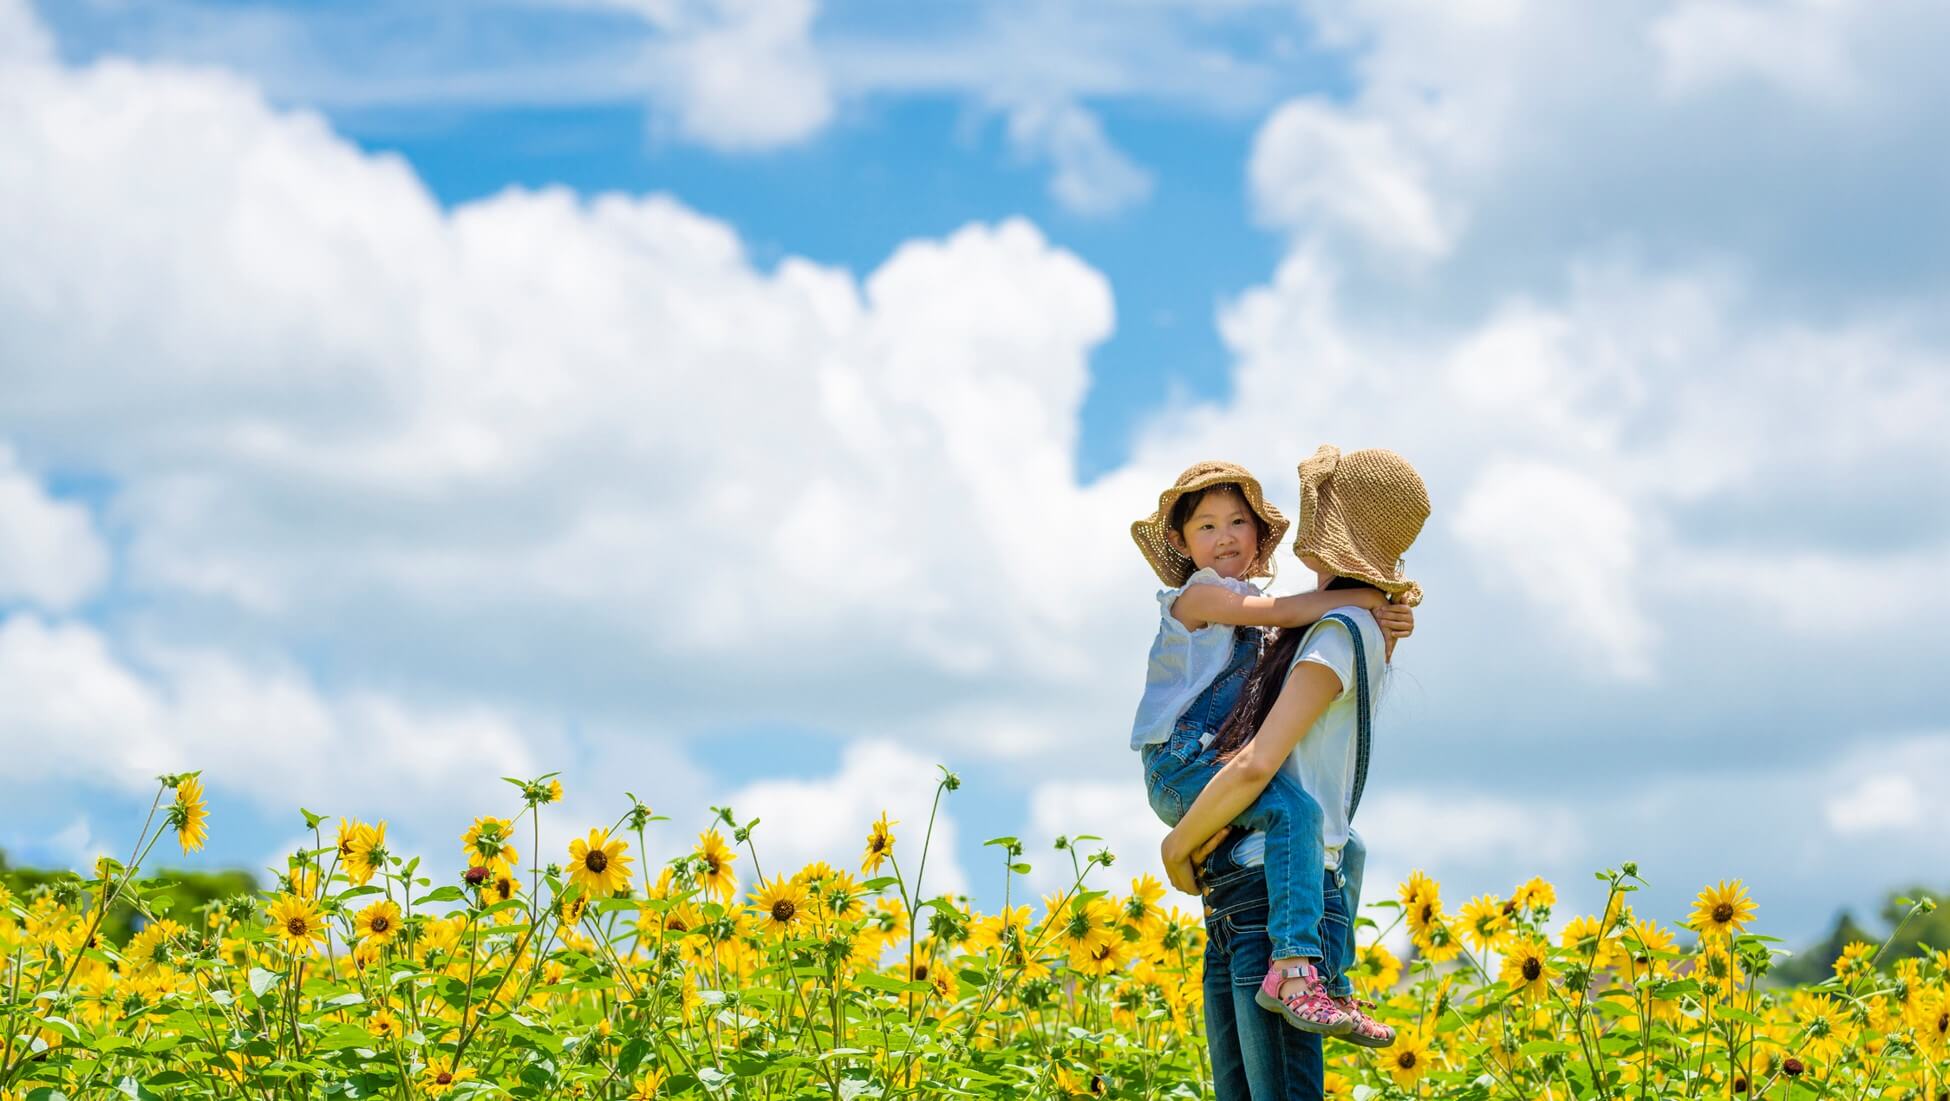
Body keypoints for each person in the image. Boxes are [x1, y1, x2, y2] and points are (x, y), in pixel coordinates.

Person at [1163, 445, 1432, 1052]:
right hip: (1225, 825)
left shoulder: (1336, 629)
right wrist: (1373, 600)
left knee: (1320, 828)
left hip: (1259, 878)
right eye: (1207, 526)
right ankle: (1324, 979)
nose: (1226, 537)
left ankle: (1309, 975)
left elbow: (1260, 760)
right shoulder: (1250, 608)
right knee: (1332, 836)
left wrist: (1176, 847)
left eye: (1237, 523)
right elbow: (1280, 613)